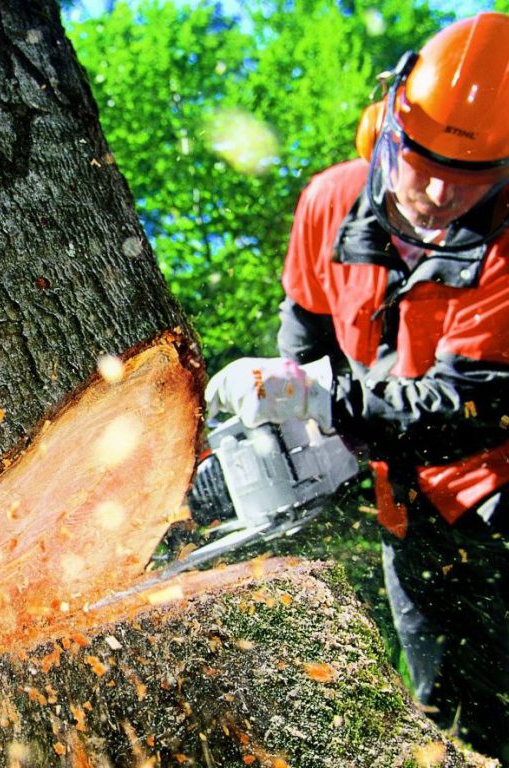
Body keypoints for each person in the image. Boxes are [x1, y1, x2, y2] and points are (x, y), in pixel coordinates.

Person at [205, 12, 509, 761]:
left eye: (468, 178)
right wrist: (276, 420)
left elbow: (460, 411)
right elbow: (305, 345)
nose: (438, 192)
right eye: (424, 162)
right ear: (393, 123)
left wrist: (311, 399)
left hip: (494, 497)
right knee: (443, 716)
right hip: (403, 514)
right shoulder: (330, 203)